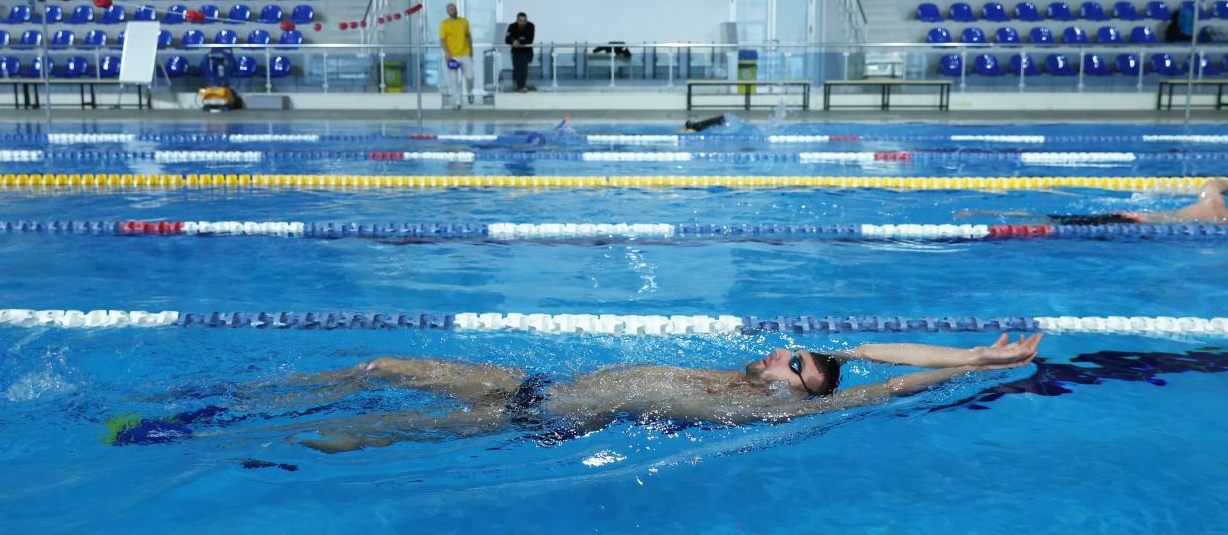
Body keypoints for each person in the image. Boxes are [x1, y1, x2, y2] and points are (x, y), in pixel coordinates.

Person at [229, 333, 1037, 453]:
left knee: (375, 430)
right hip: (533, 385)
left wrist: (974, 365)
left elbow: (889, 378)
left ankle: (237, 444)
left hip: (544, 420)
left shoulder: (774, 408)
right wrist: (971, 345)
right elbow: (860, 348)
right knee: (377, 367)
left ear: (800, 398)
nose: (781, 355)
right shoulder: (737, 376)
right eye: (789, 352)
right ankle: (243, 402)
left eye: (795, 365)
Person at [957, 178, 1228, 225]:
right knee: (1051, 219)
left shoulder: (1211, 204)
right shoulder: (1213, 210)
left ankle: (983, 209)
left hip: (1130, 218)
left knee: (1052, 219)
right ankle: (983, 210)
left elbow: (1214, 183)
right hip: (1128, 221)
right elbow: (1214, 184)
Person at [438, 3, 473, 109]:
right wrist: (447, 53)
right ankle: (458, 102)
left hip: (465, 54)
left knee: (470, 77)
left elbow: (468, 36)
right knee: (454, 80)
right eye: (451, 9)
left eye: (454, 9)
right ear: (448, 12)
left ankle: (470, 92)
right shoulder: (444, 24)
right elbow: (442, 40)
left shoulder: (464, 21)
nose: (454, 10)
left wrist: (471, 50)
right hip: (452, 56)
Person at [505, 12, 536, 93]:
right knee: (517, 68)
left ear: (526, 20)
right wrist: (513, 41)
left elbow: (529, 39)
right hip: (515, 52)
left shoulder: (530, 26)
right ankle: (520, 86)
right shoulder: (512, 26)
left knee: (523, 68)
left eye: (524, 21)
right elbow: (507, 39)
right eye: (520, 21)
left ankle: (521, 86)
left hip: (526, 52)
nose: (522, 23)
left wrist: (517, 41)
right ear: (517, 20)